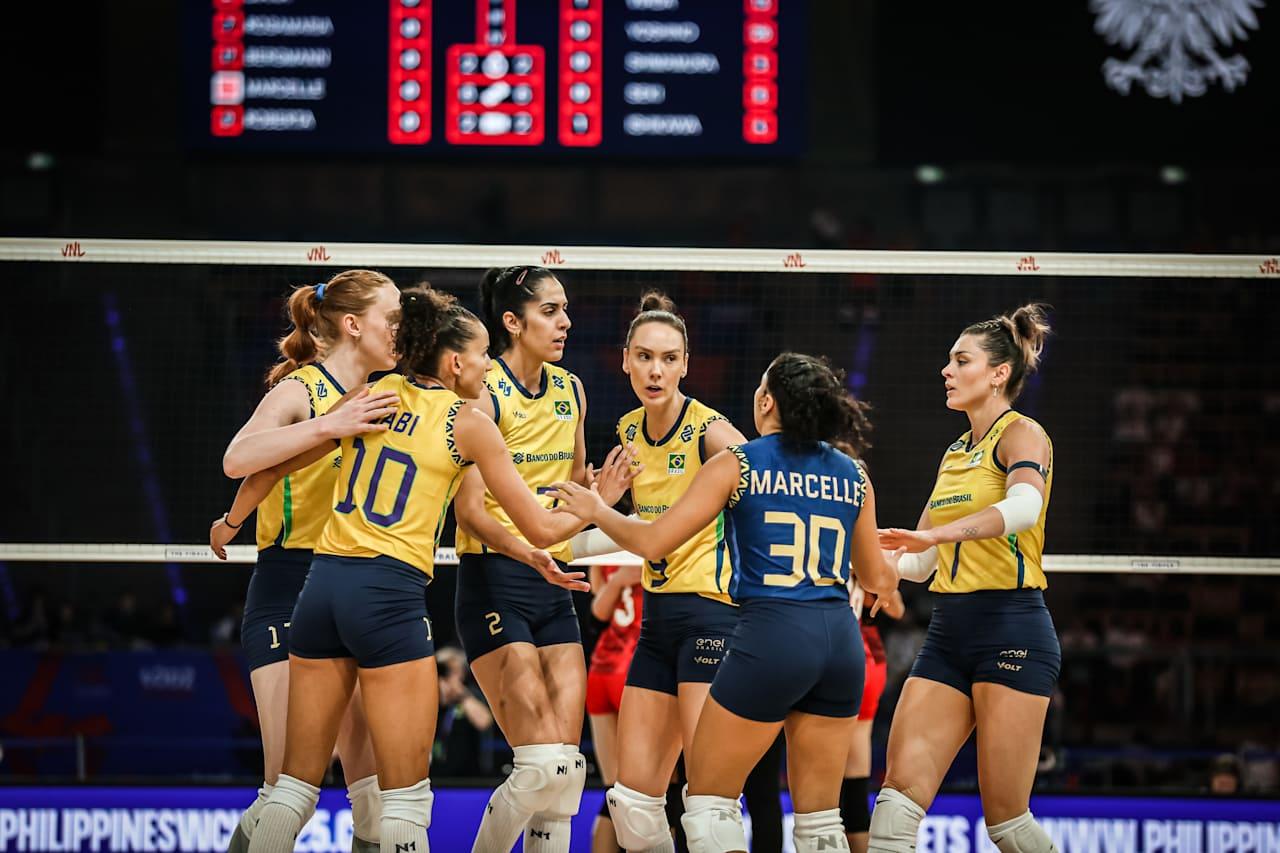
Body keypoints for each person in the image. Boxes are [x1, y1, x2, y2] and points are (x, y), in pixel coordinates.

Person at [240, 285, 631, 853]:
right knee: (404, 802)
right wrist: (602, 503)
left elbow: (277, 463)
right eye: (480, 355)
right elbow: (543, 529)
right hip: (387, 598)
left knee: (293, 789)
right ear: (453, 363)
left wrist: (231, 520)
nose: (488, 366)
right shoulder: (467, 422)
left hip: (320, 589)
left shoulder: (372, 392)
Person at [552, 352, 901, 853]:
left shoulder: (738, 462)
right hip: (841, 646)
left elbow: (653, 542)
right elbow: (875, 579)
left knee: (709, 808)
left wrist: (597, 508)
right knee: (822, 824)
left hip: (772, 638)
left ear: (766, 402)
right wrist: (900, 566)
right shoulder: (853, 473)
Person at [211, 270, 404, 853]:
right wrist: (329, 424)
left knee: (374, 793)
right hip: (289, 585)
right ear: (353, 325)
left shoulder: (387, 394)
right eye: (392, 318)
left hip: (357, 587)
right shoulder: (302, 389)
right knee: (286, 788)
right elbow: (238, 460)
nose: (402, 329)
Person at [452, 266, 630, 853]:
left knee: (567, 778)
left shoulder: (570, 388)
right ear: (512, 321)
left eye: (565, 309)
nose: (565, 322)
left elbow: (576, 485)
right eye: (550, 311)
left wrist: (600, 493)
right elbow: (470, 511)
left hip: (554, 584)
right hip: (496, 578)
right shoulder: (482, 391)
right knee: (542, 769)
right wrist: (535, 546)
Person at [873, 304, 1058, 853]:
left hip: (1012, 629)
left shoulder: (1023, 434)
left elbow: (1024, 509)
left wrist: (937, 536)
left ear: (999, 373)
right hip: (948, 634)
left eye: (961, 360)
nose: (946, 370)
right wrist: (867, 571)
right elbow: (919, 561)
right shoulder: (955, 454)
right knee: (893, 810)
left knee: (1008, 825)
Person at [583, 291, 747, 853]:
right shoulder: (629, 429)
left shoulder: (711, 432)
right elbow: (637, 524)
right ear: (625, 361)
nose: (656, 370)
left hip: (712, 619)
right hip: (656, 625)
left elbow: (767, 488)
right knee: (631, 803)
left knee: (708, 804)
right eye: (646, 357)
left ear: (685, 365)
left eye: (669, 358)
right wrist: (589, 512)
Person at [586, 563, 643, 853]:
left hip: (600, 669)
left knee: (613, 791)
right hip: (637, 669)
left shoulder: (602, 550)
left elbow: (597, 614)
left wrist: (617, 581)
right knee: (658, 789)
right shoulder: (657, 541)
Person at [433, 646, 495, 777]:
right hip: (435, 770)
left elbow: (484, 722)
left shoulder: (471, 693)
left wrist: (460, 694)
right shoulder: (431, 693)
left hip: (467, 773)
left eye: (454, 670)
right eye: (445, 670)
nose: (449, 675)